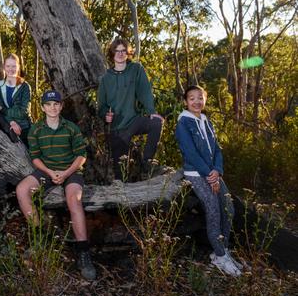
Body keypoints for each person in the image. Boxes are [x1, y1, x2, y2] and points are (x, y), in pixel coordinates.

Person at [15, 89, 96, 280]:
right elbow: (35, 157)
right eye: (48, 104)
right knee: (22, 189)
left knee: (73, 199)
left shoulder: (71, 128)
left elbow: (81, 156)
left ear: (61, 106)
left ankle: (83, 252)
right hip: (46, 170)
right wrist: (51, 173)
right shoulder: (36, 129)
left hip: (71, 171)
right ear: (43, 107)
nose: (52, 108)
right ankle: (41, 239)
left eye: (56, 104)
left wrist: (66, 173)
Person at [176, 85, 242, 276]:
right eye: (192, 98)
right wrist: (208, 174)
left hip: (213, 173)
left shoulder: (206, 121)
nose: (196, 102)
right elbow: (190, 153)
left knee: (228, 208)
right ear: (185, 102)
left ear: (205, 100)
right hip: (196, 174)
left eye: (200, 98)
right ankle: (221, 257)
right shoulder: (183, 123)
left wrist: (218, 171)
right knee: (213, 209)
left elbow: (217, 150)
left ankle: (222, 251)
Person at [97, 38, 164, 179]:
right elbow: (101, 107)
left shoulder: (136, 69)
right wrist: (105, 115)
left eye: (123, 51)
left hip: (134, 120)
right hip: (118, 128)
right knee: (120, 173)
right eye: (117, 50)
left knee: (156, 123)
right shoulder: (105, 79)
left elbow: (144, 91)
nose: (120, 54)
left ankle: (147, 162)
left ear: (128, 53)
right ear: (112, 53)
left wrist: (151, 111)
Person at [0, 53, 32, 144]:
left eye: (14, 66)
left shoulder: (25, 87)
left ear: (18, 67)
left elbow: (23, 112)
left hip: (24, 130)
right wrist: (11, 122)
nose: (11, 69)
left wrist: (3, 110)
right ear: (4, 67)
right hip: (5, 128)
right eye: (8, 66)